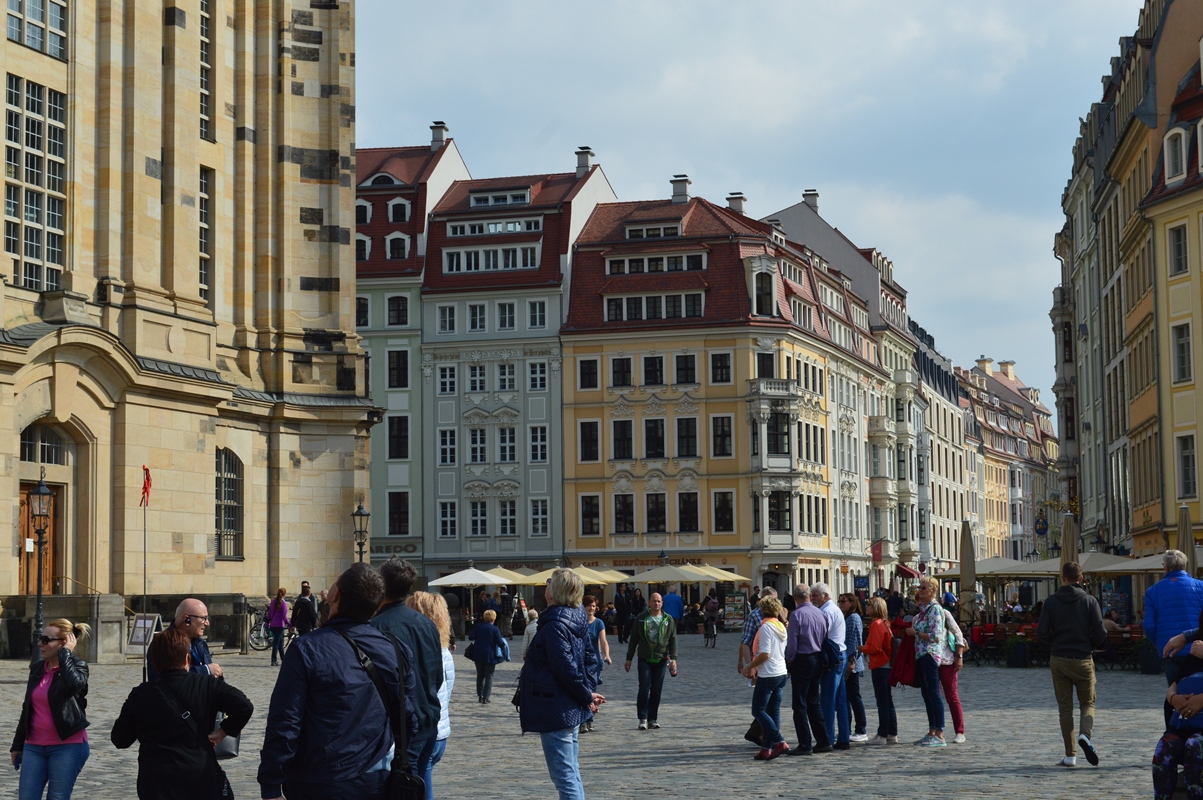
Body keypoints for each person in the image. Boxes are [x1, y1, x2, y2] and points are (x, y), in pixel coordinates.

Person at [258, 562, 419, 800]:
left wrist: (271, 784)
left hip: (320, 780)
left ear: (335, 596)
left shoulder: (306, 649)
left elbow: (285, 721)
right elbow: (409, 718)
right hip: (377, 777)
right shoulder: (396, 648)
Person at [111, 628, 253, 800]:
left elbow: (120, 739)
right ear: (187, 658)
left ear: (155, 661)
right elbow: (244, 706)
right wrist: (222, 732)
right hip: (199, 775)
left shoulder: (141, 694)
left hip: (156, 781)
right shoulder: (206, 685)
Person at [519, 568, 603, 800]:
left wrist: (586, 695)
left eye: (549, 582)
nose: (546, 585)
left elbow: (565, 668)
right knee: (571, 773)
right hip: (568, 706)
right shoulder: (576, 618)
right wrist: (587, 691)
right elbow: (590, 660)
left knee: (565, 777)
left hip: (556, 709)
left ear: (555, 591)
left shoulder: (555, 624)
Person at [370, 557, 445, 778]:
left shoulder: (376, 627)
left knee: (401, 788)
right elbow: (437, 676)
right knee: (416, 786)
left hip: (401, 730)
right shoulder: (427, 624)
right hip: (428, 722)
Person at [10, 618, 91, 800]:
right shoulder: (38, 668)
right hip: (34, 746)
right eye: (40, 638)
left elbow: (74, 685)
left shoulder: (78, 667)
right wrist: (17, 745)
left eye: (46, 640)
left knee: (57, 797)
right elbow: (27, 707)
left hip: (67, 746)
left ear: (63, 643)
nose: (40, 643)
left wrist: (66, 655)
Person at [1036, 561, 1106, 767]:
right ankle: (1085, 734)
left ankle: (1070, 755)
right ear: (1081, 579)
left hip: (1059, 658)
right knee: (1088, 703)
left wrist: (1055, 643)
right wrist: (1089, 645)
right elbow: (1101, 632)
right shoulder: (1090, 601)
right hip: (1083, 658)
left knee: (1065, 708)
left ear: (1063, 578)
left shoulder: (1051, 602)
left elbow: (1041, 632)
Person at [404, 592, 455, 800]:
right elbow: (447, 691)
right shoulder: (445, 652)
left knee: (419, 787)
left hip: (425, 730)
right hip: (441, 730)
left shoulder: (417, 651)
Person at [1148, 550, 1203, 725]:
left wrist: (1160, 645)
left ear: (1165, 567)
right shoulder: (1200, 587)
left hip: (1171, 651)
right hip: (1197, 649)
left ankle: (1178, 730)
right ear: (1185, 566)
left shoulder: (1153, 591)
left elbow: (1149, 625)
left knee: (1176, 696)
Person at [905, 576, 952, 747]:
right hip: (921, 654)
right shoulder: (924, 611)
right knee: (926, 695)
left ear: (933, 591)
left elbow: (936, 636)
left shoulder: (935, 610)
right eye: (920, 588)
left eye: (924, 588)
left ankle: (940, 733)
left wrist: (916, 633)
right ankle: (932, 730)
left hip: (930, 654)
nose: (920, 591)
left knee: (933, 693)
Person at [742, 596, 790, 760]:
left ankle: (779, 741)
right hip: (781, 672)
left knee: (758, 710)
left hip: (769, 673)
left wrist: (749, 666)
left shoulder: (766, 628)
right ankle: (767, 747)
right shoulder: (781, 626)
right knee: (773, 710)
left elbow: (765, 654)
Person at [785, 584, 830, 755]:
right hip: (818, 658)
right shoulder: (820, 613)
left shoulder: (797, 615)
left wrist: (790, 660)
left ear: (795, 598)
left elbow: (792, 643)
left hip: (802, 659)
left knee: (800, 704)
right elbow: (825, 636)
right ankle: (823, 740)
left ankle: (805, 743)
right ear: (810, 596)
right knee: (813, 701)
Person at [625, 591, 678, 730]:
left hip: (661, 658)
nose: (656, 603)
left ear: (662, 603)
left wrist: (674, 658)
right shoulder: (641, 618)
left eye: (659, 601)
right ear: (649, 602)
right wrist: (629, 658)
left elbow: (673, 639)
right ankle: (642, 718)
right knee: (644, 688)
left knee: (656, 690)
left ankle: (652, 719)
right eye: (654, 601)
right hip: (645, 658)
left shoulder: (668, 619)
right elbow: (633, 639)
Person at [811, 583, 849, 750]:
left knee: (828, 699)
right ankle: (843, 737)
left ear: (825, 596)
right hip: (840, 654)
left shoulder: (826, 612)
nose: (813, 598)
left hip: (832, 658)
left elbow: (819, 635)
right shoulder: (834, 609)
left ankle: (826, 738)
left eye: (815, 595)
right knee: (840, 699)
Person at [148, 599, 223, 682]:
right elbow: (170, 679)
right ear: (187, 620)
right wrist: (205, 670)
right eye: (204, 618)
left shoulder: (200, 644)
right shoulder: (163, 644)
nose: (207, 623)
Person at [860, 597, 896, 745]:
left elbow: (875, 648)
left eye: (869, 605)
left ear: (875, 608)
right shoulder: (885, 623)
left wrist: (860, 648)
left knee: (882, 701)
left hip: (881, 665)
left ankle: (882, 734)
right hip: (886, 665)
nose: (866, 607)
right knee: (887, 700)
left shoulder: (876, 624)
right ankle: (892, 732)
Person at [838, 593, 869, 743]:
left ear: (851, 603)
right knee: (847, 697)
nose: (840, 603)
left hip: (852, 663)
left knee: (854, 696)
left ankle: (861, 729)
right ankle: (847, 730)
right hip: (847, 661)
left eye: (843, 601)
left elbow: (855, 640)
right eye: (839, 601)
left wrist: (852, 660)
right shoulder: (846, 617)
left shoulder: (854, 618)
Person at [581, 596, 611, 733]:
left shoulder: (599, 623)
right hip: (580, 661)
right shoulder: (579, 622)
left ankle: (590, 719)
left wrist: (606, 655)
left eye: (593, 606)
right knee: (582, 689)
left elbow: (603, 641)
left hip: (594, 662)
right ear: (584, 607)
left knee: (592, 690)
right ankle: (582, 720)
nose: (591, 608)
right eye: (589, 605)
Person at [939, 604, 968, 743]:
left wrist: (959, 656)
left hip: (947, 660)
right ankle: (937, 731)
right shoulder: (919, 617)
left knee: (952, 696)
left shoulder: (944, 613)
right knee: (934, 698)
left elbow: (958, 634)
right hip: (930, 661)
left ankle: (960, 731)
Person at [468, 609, 508, 703]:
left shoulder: (479, 627)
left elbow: (470, 637)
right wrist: (505, 649)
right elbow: (499, 642)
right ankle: (486, 697)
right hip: (490, 654)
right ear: (494, 618)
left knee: (480, 675)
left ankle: (480, 695)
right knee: (489, 676)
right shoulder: (495, 629)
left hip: (478, 654)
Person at [738, 587, 777, 676]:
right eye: (770, 600)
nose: (773, 603)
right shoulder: (754, 616)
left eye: (775, 600)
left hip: (777, 667)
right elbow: (745, 642)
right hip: (760, 665)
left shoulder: (778, 614)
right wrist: (750, 666)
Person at [267, 587, 290, 666]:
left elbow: (269, 614)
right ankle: (273, 660)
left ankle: (283, 659)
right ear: (284, 594)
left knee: (280, 643)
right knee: (276, 643)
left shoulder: (273, 601)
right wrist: (290, 625)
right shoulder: (283, 604)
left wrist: (268, 622)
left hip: (273, 624)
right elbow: (284, 617)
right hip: (280, 625)